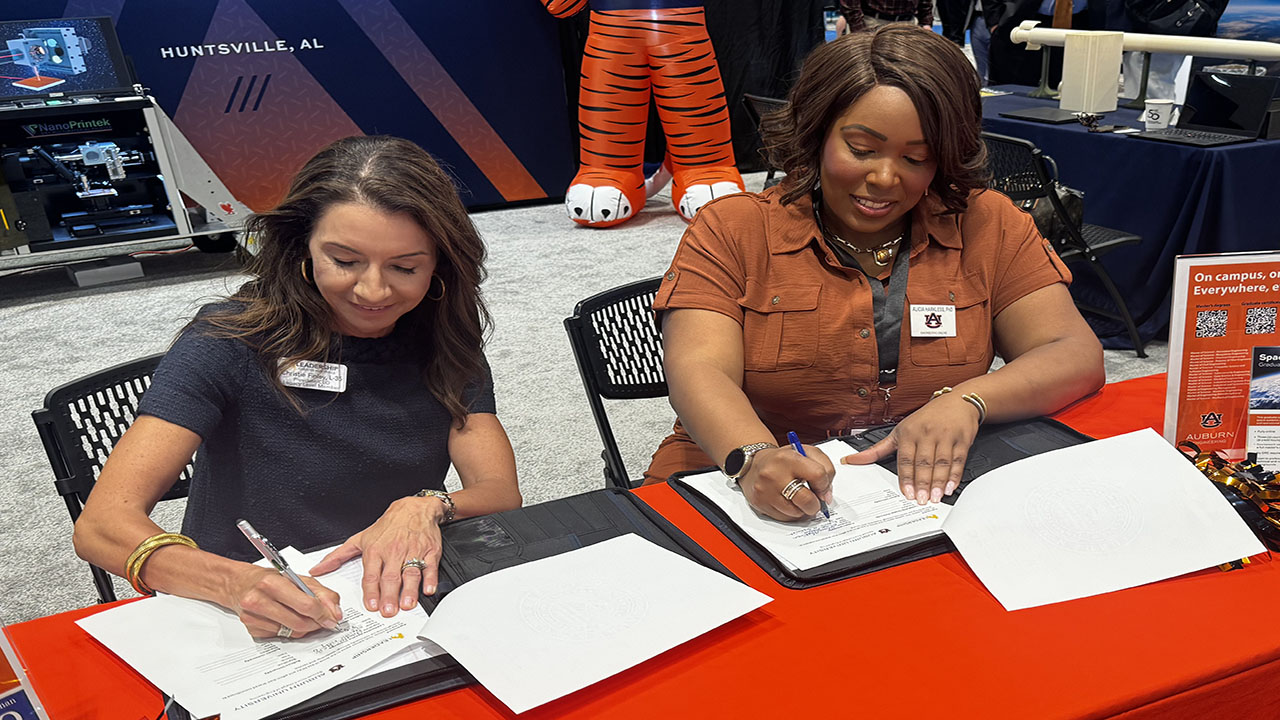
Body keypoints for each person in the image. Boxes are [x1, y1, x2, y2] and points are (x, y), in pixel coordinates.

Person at [642, 26, 1104, 521]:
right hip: (727, 475)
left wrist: (968, 400)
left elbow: (1073, 353)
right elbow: (699, 369)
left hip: (915, 489)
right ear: (817, 133)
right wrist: (753, 455)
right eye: (862, 149)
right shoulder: (734, 228)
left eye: (916, 158)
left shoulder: (987, 222)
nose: (885, 178)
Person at [73, 136, 521, 638]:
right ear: (302, 248)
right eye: (344, 261)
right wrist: (234, 582)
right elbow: (101, 526)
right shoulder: (229, 341)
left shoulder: (443, 339)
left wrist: (427, 505)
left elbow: (499, 491)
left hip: (388, 602)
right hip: (240, 612)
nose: (373, 290)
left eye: (405, 267)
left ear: (439, 264)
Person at [837, 0, 933, 33]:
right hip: (871, 22)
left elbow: (925, 2)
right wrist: (860, 30)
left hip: (908, 24)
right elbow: (850, 5)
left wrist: (926, 23)